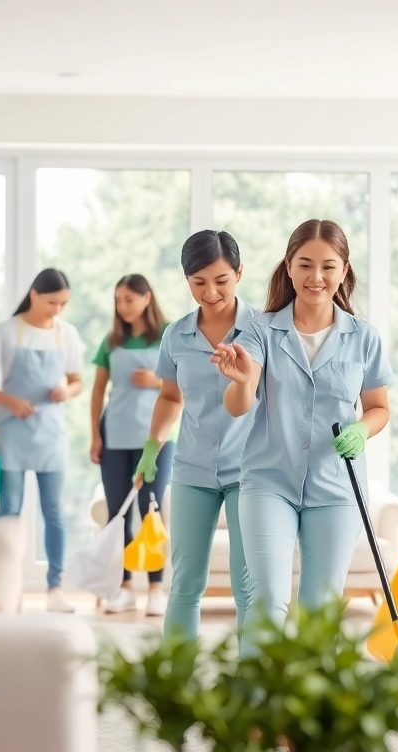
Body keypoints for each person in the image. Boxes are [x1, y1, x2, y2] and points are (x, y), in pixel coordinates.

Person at [212, 219, 392, 650]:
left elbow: (379, 409)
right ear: (288, 267)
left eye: (328, 266)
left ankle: (310, 712)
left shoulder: (364, 338)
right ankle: (254, 709)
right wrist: (239, 381)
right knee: (268, 598)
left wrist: (361, 431)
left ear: (343, 270)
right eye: (305, 264)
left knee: (318, 608)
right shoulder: (259, 330)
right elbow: (239, 406)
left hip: (336, 487)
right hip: (269, 481)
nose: (316, 277)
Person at [138, 230, 257, 638]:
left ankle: (253, 689)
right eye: (198, 282)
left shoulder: (264, 329)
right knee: (186, 583)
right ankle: (177, 683)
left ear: (240, 273)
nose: (210, 292)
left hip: (251, 472)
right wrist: (152, 446)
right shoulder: (177, 335)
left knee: (248, 587)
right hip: (192, 470)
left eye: (221, 280)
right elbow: (170, 396)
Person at [0, 268, 85, 613]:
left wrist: (67, 390)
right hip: (13, 430)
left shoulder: (67, 335)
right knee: (10, 511)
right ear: (34, 294)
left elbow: (78, 380)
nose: (57, 310)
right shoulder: (6, 331)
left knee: (54, 513)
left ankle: (55, 589)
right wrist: (11, 401)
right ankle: (6, 587)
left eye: (63, 304)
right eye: (52, 302)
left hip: (51, 432)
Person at [89, 274, 175, 616]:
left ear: (146, 298)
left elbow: (184, 380)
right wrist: (96, 434)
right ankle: (123, 587)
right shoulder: (111, 341)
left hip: (157, 438)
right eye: (118, 301)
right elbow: (98, 390)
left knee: (150, 511)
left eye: (128, 299)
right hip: (115, 437)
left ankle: (155, 587)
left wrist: (156, 380)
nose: (122, 307)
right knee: (117, 513)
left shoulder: (170, 334)